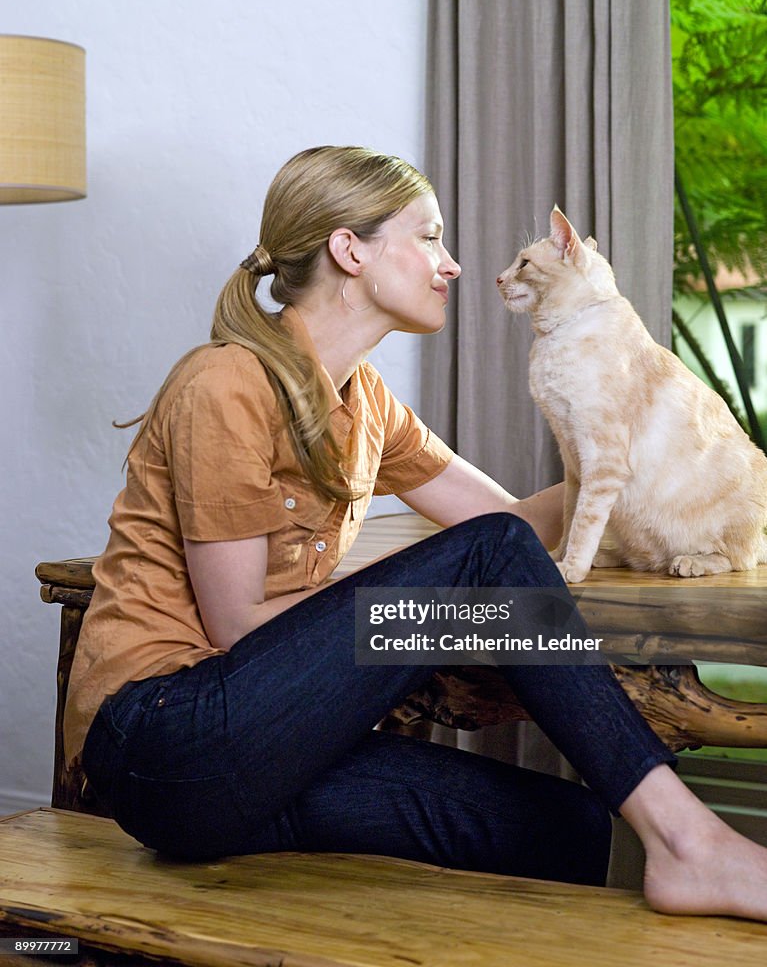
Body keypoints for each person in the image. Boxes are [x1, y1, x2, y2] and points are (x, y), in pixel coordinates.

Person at [64, 145, 767, 920]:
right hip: (166, 738)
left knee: (566, 827)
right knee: (486, 558)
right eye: (429, 237)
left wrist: (647, 438)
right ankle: (692, 844)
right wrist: (416, 621)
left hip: (259, 761)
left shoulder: (366, 402)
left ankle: (668, 851)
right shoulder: (223, 383)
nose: (453, 264)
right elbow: (236, 625)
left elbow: (513, 533)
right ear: (349, 249)